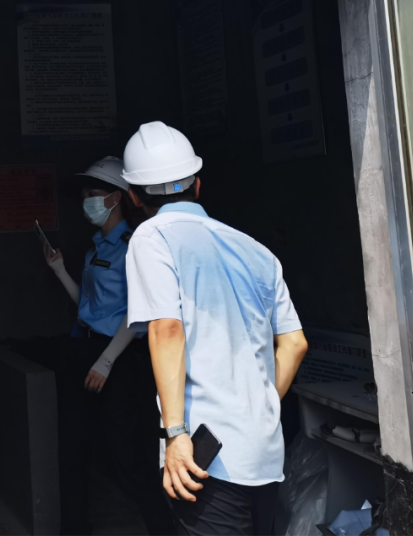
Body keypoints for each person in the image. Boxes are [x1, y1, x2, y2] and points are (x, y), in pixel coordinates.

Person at [120, 122, 308, 536]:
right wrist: (258, 405)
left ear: (133, 196)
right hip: (263, 453)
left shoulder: (152, 237)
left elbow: (167, 329)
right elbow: (295, 344)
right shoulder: (257, 251)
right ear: (198, 185)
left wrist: (175, 434)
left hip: (204, 457)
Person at [42, 156, 175, 536]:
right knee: (75, 450)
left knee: (128, 457)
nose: (87, 201)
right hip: (85, 352)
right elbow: (87, 308)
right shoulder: (95, 248)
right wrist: (59, 270)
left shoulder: (134, 247)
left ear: (116, 198)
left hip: (118, 360)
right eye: (85, 195)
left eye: (94, 194)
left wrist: (106, 361)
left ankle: (164, 529)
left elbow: (140, 312)